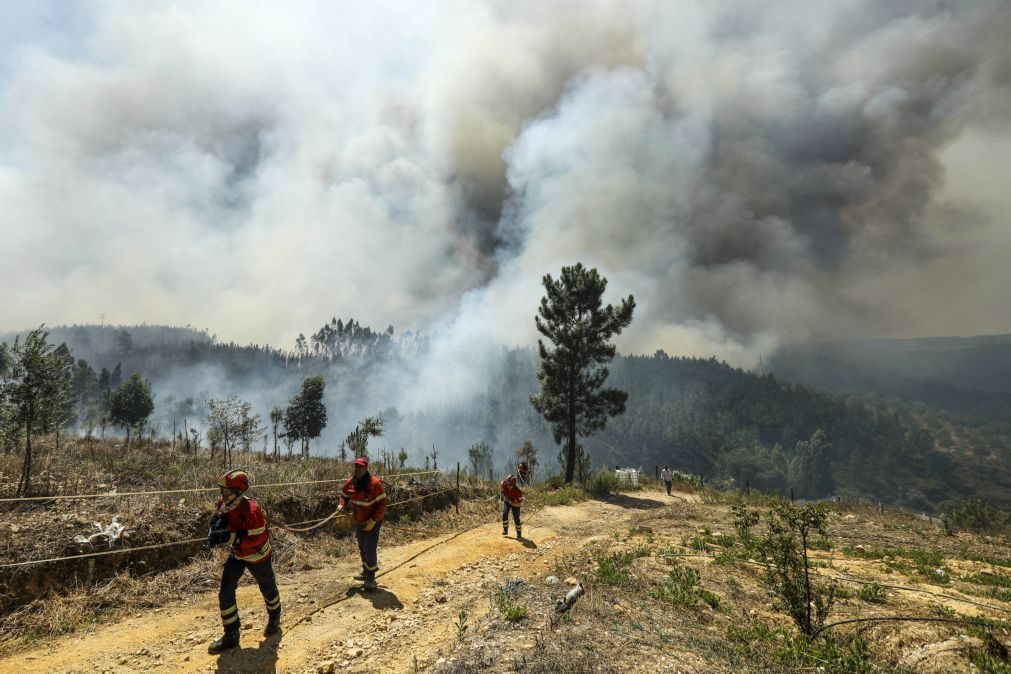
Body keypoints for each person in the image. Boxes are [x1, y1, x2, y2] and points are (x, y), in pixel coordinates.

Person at [207, 469, 281, 654]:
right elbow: (224, 521)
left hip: (258, 555)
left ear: (238, 492)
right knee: (225, 592)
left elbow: (254, 540)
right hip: (238, 554)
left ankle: (274, 618)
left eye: (226, 491)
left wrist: (229, 538)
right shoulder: (223, 503)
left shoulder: (253, 512)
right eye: (221, 491)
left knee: (268, 588)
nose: (222, 496)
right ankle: (231, 635)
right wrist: (216, 527)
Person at [339, 457, 387, 591]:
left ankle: (371, 578)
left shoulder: (375, 484)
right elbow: (344, 495)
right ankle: (366, 571)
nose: (358, 470)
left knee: (369, 548)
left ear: (366, 468)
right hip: (359, 521)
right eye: (356, 467)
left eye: (360, 467)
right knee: (362, 547)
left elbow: (383, 504)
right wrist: (341, 505)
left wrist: (374, 521)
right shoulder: (351, 483)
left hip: (373, 521)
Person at [500, 473, 524, 538]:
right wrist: (507, 498)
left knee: (516, 518)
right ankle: (505, 530)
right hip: (507, 501)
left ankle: (519, 533)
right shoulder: (504, 484)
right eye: (507, 484)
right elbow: (503, 492)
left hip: (515, 503)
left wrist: (514, 502)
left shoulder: (519, 491)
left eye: (510, 485)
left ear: (513, 484)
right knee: (505, 513)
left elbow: (519, 501)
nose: (508, 486)